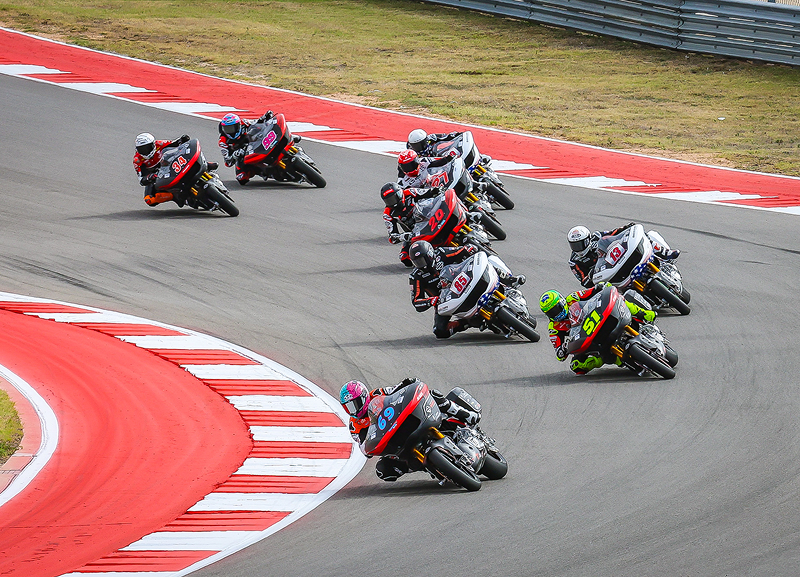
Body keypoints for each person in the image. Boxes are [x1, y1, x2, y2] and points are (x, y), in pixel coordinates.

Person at [340, 377, 480, 482]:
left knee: (433, 394)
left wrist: (407, 383)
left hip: (403, 422)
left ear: (364, 396)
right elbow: (364, 448)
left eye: (355, 403)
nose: (354, 409)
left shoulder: (377, 394)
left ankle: (466, 415)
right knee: (383, 470)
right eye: (348, 407)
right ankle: (424, 465)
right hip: (394, 440)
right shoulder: (354, 426)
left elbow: (396, 391)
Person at [409, 240, 526, 339]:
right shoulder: (416, 276)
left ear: (430, 255)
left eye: (421, 260)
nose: (420, 265)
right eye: (416, 262)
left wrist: (469, 248)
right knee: (439, 331)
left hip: (465, 280)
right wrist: (432, 301)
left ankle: (509, 280)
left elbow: (461, 251)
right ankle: (466, 322)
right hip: (445, 300)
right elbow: (416, 301)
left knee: (488, 259)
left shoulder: (441, 253)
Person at [540, 285, 657, 375]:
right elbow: (559, 354)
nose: (556, 314)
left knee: (619, 299)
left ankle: (644, 314)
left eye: (557, 309)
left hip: (597, 319)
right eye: (551, 313)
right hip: (587, 337)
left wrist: (601, 286)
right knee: (576, 366)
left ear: (562, 302)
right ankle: (607, 359)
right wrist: (563, 349)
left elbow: (593, 290)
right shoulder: (554, 328)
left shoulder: (573, 298)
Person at [568, 223, 681, 288]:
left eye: (580, 244)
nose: (578, 248)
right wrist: (591, 275)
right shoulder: (574, 262)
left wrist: (626, 228)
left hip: (616, 260)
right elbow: (584, 282)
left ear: (588, 239)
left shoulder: (596, 237)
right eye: (574, 245)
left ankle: (665, 253)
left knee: (647, 235)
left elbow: (613, 234)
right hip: (607, 277)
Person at [133, 132, 217, 207]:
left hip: (168, 164)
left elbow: (174, 143)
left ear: (153, 144)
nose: (145, 151)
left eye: (147, 148)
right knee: (149, 200)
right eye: (141, 149)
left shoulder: (159, 143)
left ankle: (205, 165)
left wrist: (182, 140)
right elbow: (141, 179)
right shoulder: (137, 160)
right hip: (156, 176)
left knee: (189, 155)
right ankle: (174, 197)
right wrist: (149, 177)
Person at [218, 111, 301, 185]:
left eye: (232, 128)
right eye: (227, 129)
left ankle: (290, 138)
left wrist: (264, 118)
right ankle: (263, 171)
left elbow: (257, 123)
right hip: (243, 156)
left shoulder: (244, 123)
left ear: (238, 125)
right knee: (241, 178)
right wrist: (235, 155)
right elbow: (228, 162)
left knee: (273, 131)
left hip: (255, 143)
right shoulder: (223, 141)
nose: (230, 131)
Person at [381, 182, 438, 266]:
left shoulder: (410, 192)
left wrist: (437, 190)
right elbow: (392, 237)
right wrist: (403, 236)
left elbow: (429, 192)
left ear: (399, 194)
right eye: (388, 201)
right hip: (414, 233)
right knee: (405, 258)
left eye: (392, 199)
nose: (391, 203)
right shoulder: (388, 214)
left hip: (430, 219)